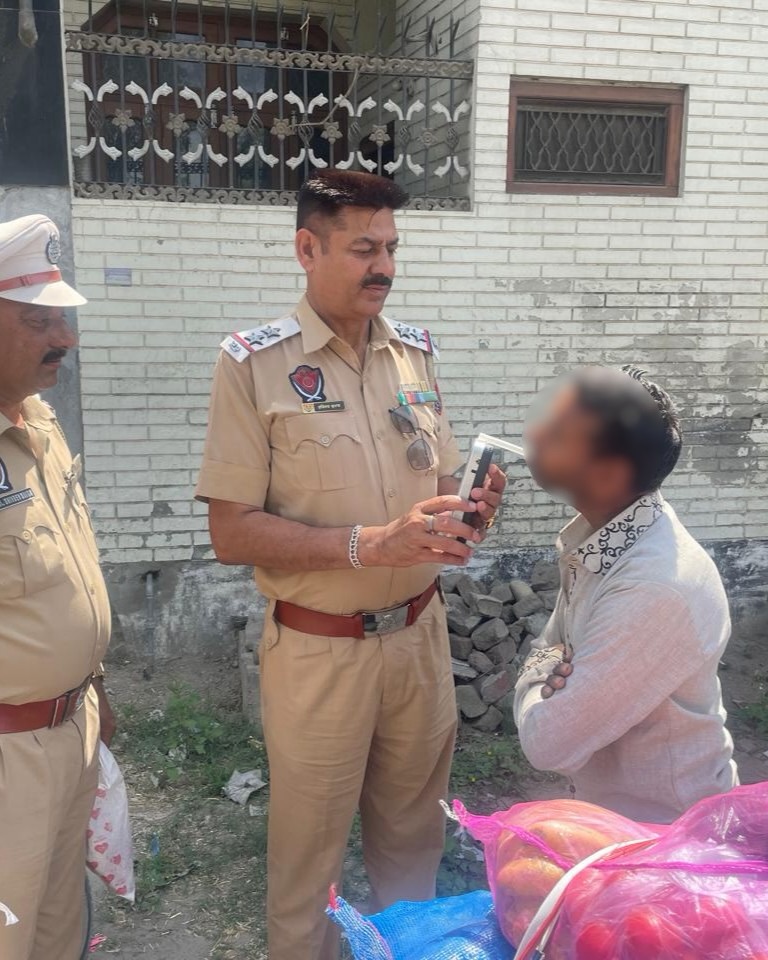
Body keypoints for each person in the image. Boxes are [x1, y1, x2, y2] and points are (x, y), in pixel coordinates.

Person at [195, 170, 506, 959]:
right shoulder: (253, 366)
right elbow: (231, 532)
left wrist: (465, 509)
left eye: (392, 248)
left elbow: (429, 493)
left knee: (413, 848)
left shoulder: (414, 355)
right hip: (318, 651)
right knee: (310, 872)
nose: (385, 267)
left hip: (417, 643)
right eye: (364, 248)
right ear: (308, 248)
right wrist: (369, 544)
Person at [513, 365, 738, 824]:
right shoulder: (606, 542)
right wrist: (547, 665)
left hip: (670, 843)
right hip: (618, 824)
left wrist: (532, 679)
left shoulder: (653, 586)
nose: (534, 434)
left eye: (557, 432)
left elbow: (548, 741)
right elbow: (549, 648)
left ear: (608, 473)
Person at [0, 214, 114, 959]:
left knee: (55, 932)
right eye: (41, 320)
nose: (64, 340)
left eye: (62, 319)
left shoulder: (39, 422)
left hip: (73, 727)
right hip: (9, 755)